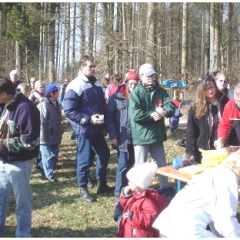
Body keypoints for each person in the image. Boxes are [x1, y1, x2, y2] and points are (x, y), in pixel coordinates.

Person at [152, 151, 240, 238]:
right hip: (187, 228)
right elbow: (225, 222)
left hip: (167, 226)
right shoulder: (228, 180)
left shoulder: (214, 172)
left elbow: (216, 218)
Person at [63, 55, 113, 202]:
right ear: (81, 67)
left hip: (97, 129)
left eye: (94, 66)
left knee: (104, 154)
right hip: (84, 130)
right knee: (84, 160)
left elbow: (100, 105)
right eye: (90, 66)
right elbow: (69, 110)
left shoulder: (96, 82)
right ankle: (83, 188)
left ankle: (101, 183)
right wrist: (87, 119)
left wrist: (103, 125)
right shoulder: (75, 85)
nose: (93, 69)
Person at [0, 77, 40, 237]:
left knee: (22, 203)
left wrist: (3, 144)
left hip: (20, 163)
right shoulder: (4, 105)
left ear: (4, 94)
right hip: (3, 160)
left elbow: (31, 141)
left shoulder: (26, 108)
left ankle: (22, 234)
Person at [129, 63, 175, 188]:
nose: (151, 78)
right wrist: (151, 115)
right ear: (141, 76)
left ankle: (165, 188)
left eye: (153, 75)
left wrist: (164, 112)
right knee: (140, 166)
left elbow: (170, 105)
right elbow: (135, 114)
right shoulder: (136, 94)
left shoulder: (161, 91)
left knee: (161, 165)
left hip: (157, 135)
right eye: (148, 75)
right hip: (141, 136)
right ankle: (139, 191)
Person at [106, 70, 139, 201]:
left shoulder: (139, 97)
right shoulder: (116, 97)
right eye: (131, 83)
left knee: (132, 163)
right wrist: (113, 136)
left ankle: (128, 188)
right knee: (122, 164)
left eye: (136, 84)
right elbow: (110, 118)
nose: (133, 86)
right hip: (122, 136)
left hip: (136, 137)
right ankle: (118, 191)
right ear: (126, 83)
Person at [116, 162, 169, 237]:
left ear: (138, 185)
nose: (128, 184)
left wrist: (133, 216)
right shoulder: (135, 194)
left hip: (140, 233)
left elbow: (151, 218)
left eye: (130, 182)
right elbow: (126, 206)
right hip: (131, 229)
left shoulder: (147, 200)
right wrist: (125, 196)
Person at [186, 75, 229, 163]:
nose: (210, 91)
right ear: (202, 90)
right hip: (203, 152)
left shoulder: (225, 102)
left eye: (212, 87)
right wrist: (191, 154)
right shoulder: (195, 107)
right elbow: (191, 133)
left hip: (222, 151)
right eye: (207, 89)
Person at [37, 84, 62, 182]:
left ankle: (40, 166)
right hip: (46, 136)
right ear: (51, 93)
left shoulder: (56, 104)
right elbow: (42, 122)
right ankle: (49, 175)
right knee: (47, 156)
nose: (58, 94)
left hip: (55, 135)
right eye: (57, 92)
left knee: (54, 154)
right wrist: (43, 138)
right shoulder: (44, 105)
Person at [215, 82, 240, 150]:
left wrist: (238, 148)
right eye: (236, 101)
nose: (238, 104)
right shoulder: (230, 105)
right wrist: (221, 138)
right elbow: (224, 125)